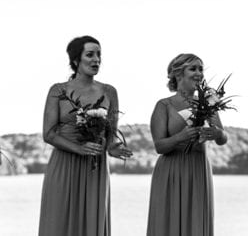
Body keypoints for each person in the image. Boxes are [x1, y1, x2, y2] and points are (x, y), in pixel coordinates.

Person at [39, 35, 132, 236]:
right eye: (90, 55)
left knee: (92, 224)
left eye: (99, 55)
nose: (96, 59)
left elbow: (111, 134)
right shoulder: (58, 91)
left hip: (94, 169)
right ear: (75, 61)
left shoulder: (109, 92)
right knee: (59, 222)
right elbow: (49, 133)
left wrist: (112, 147)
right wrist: (78, 148)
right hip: (64, 165)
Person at [147, 53, 228, 236]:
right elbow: (159, 146)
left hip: (198, 169)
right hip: (171, 171)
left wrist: (217, 133)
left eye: (201, 68)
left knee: (197, 223)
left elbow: (222, 139)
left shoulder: (208, 103)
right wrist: (180, 137)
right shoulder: (164, 105)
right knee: (168, 222)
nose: (199, 73)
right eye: (193, 69)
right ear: (178, 74)